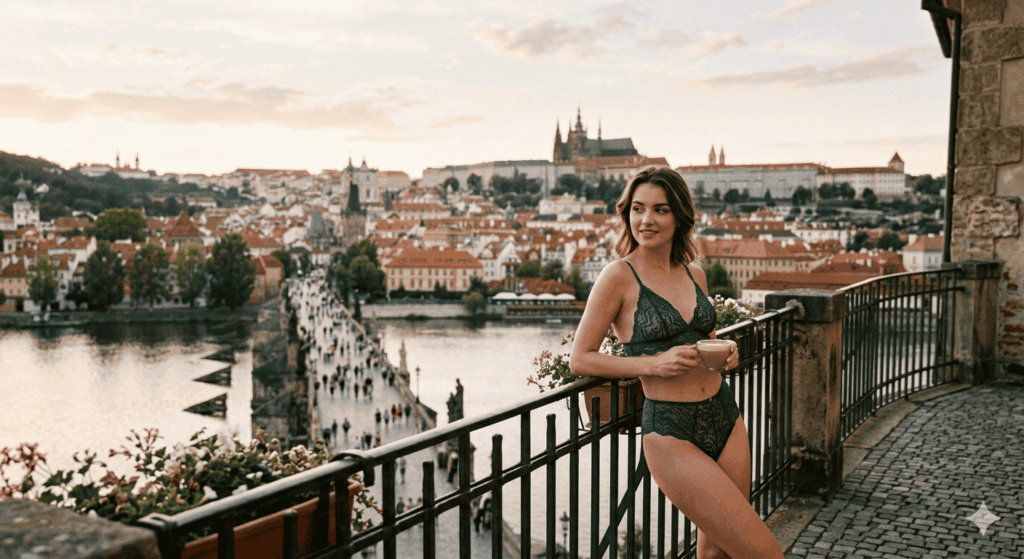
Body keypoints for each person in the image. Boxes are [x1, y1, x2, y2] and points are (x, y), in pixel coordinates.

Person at [568, 167, 784, 559]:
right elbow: (580, 359)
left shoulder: (694, 274)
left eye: (660, 210)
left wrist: (725, 351)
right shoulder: (618, 276)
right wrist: (652, 364)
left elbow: (703, 339)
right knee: (765, 554)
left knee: (716, 553)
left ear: (679, 216)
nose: (646, 220)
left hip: (725, 416)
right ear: (626, 214)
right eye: (637, 209)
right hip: (670, 430)